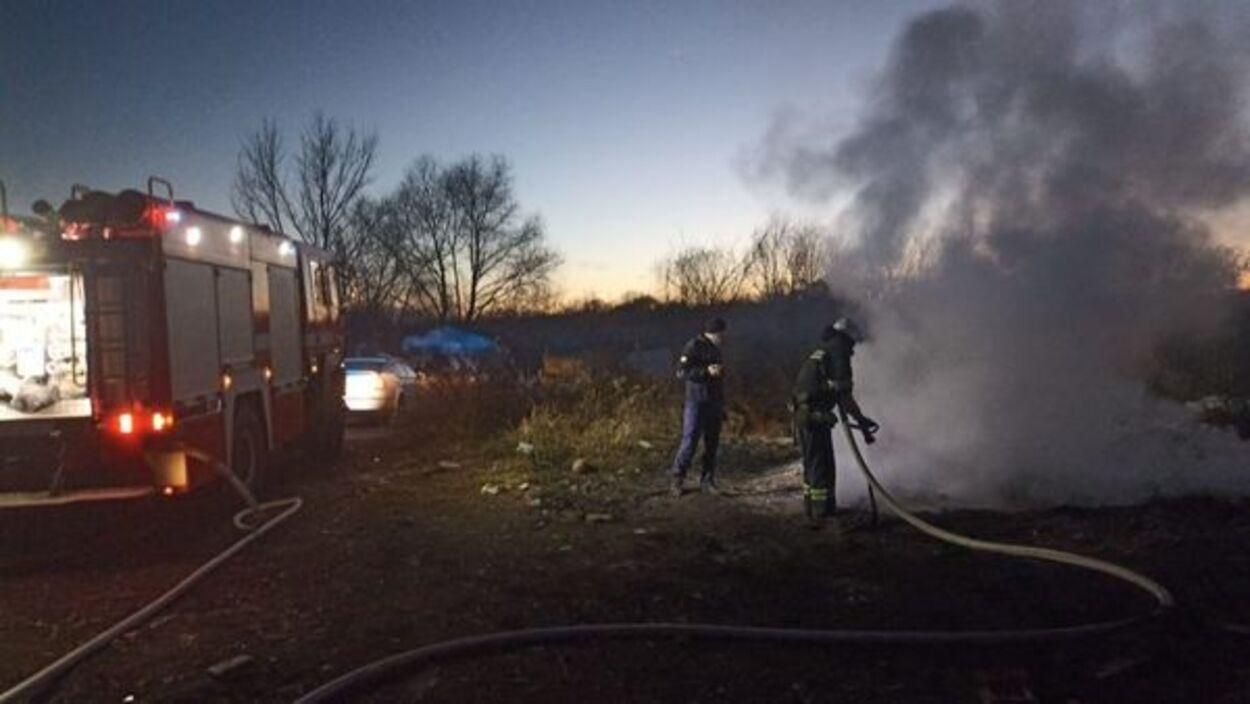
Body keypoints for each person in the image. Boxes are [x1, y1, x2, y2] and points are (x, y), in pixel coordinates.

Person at [791, 318, 879, 530]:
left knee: (812, 463)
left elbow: (831, 389)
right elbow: (843, 393)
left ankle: (812, 507)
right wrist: (860, 418)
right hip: (814, 416)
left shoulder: (824, 349)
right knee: (822, 464)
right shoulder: (839, 351)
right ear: (848, 336)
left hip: (804, 414)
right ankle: (822, 513)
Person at [669, 317, 727, 496]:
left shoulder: (717, 349)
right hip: (696, 401)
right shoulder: (693, 346)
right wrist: (705, 372)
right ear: (714, 333)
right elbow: (681, 372)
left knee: (712, 444)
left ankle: (707, 481)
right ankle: (677, 479)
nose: (724, 337)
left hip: (714, 402)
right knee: (690, 441)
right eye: (722, 333)